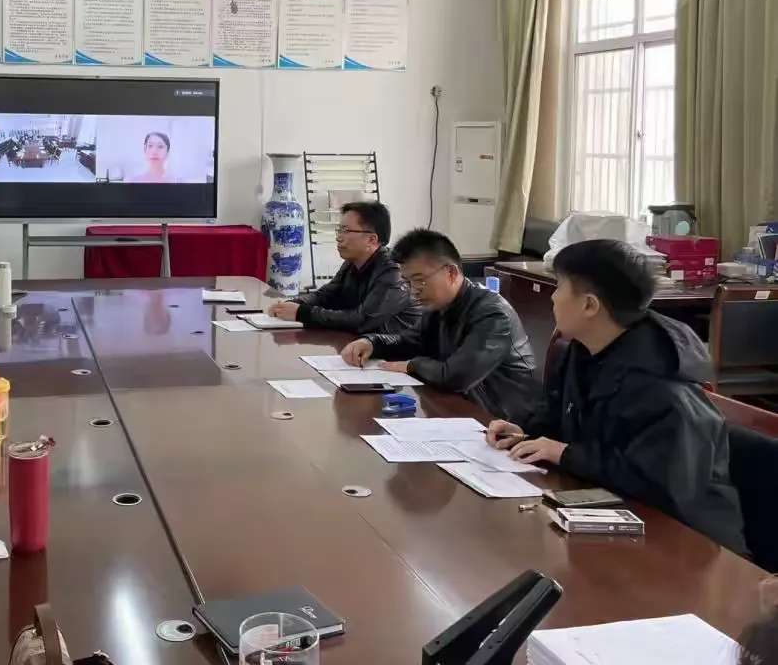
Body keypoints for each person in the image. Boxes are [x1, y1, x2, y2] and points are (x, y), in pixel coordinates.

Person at [486, 239, 746, 553]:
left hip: (687, 544)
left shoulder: (662, 386)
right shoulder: (582, 350)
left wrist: (564, 453)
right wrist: (524, 430)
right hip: (608, 514)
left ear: (590, 305)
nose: (553, 297)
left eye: (559, 286)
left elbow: (656, 482)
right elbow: (559, 413)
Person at [341, 229, 539, 422]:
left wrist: (412, 365)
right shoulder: (438, 306)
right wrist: (371, 343)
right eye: (408, 283)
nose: (413, 292)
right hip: (460, 409)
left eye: (419, 281)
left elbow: (456, 377)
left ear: (451, 272)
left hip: (503, 422)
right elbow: (407, 341)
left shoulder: (493, 314)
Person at [267, 200, 421, 336]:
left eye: (346, 231)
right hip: (362, 345)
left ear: (371, 239)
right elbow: (325, 296)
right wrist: (294, 303)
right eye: (339, 230)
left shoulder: (394, 272)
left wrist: (302, 313)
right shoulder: (352, 263)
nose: (339, 237)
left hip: (399, 354)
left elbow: (363, 320)